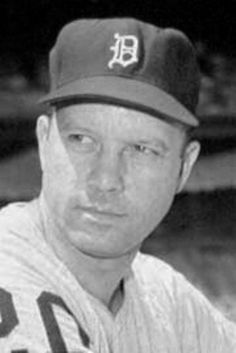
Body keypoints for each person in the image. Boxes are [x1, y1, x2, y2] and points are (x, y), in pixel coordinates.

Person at [0, 17, 235, 353]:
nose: (106, 179)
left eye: (142, 149)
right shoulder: (10, 281)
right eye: (82, 139)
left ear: (184, 168)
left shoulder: (165, 297)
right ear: (43, 141)